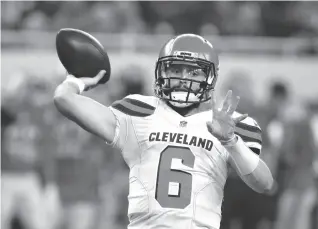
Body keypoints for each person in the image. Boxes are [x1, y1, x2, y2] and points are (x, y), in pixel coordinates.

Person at [54, 34, 274, 229]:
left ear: (210, 77)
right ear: (162, 71)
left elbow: (264, 184)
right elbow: (64, 99)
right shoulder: (139, 112)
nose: (183, 77)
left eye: (193, 71)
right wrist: (75, 81)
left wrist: (231, 141)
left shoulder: (230, 123)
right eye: (176, 69)